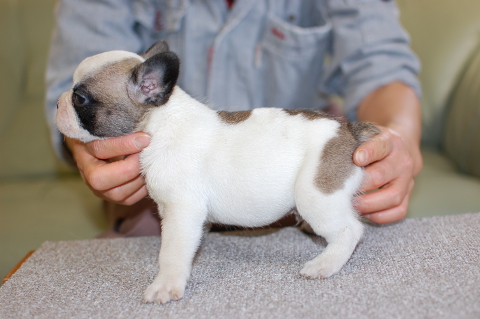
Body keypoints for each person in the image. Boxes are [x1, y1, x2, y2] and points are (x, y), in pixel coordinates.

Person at [45, 0, 423, 237]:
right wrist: (84, 144)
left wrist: (395, 138)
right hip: (152, 201)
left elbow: (381, 66)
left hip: (302, 180)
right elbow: (78, 90)